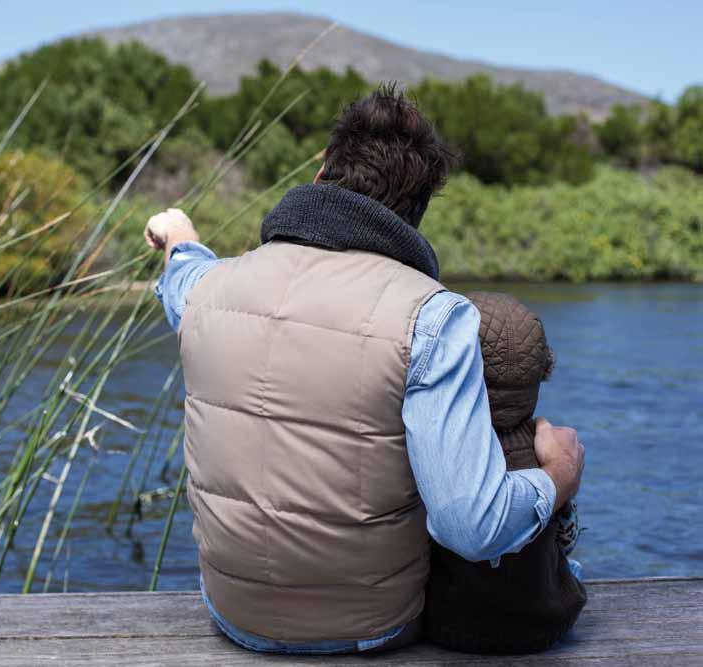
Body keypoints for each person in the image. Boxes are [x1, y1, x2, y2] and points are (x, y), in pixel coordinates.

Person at [146, 84, 585, 655]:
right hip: (371, 630)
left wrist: (179, 238)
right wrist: (557, 478)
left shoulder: (210, 289)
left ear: (323, 169)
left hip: (233, 617)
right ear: (418, 209)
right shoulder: (433, 317)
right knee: (513, 448)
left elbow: (179, 281)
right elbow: (470, 528)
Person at [423, 291, 587, 654]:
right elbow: (566, 538)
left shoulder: (442, 449)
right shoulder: (549, 448)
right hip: (546, 625)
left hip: (450, 626)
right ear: (543, 371)